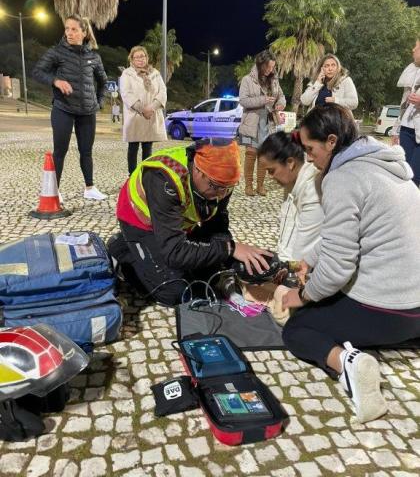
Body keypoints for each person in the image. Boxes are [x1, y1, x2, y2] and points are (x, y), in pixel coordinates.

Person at [281, 104, 420, 424]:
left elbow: (336, 269)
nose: (308, 158)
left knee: (298, 327)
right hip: (417, 307)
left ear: (331, 142)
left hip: (391, 312)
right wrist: (307, 260)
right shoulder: (384, 165)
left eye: (310, 149)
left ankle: (350, 364)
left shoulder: (342, 179)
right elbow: (343, 236)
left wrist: (301, 296)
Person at [115, 139, 272, 306]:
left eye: (228, 188)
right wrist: (229, 248)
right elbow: (174, 253)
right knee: (175, 292)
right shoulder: (164, 177)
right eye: (216, 186)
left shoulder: (221, 182)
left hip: (178, 223)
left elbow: (216, 225)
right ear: (197, 170)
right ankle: (123, 250)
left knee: (213, 273)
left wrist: (228, 258)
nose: (221, 194)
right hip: (140, 222)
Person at [33, 14, 108, 201]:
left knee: (86, 151)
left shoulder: (94, 57)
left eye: (74, 29)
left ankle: (89, 188)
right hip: (63, 108)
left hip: (87, 112)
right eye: (66, 28)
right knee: (60, 151)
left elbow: (104, 82)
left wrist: (99, 103)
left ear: (84, 32)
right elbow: (38, 71)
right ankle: (54, 190)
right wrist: (56, 80)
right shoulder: (57, 52)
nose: (69, 33)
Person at [258, 131, 323, 261]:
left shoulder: (313, 190)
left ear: (290, 163)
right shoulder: (293, 180)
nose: (270, 178)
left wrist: (284, 270)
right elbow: (288, 224)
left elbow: (304, 246)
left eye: (271, 171)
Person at [238, 49, 286, 196]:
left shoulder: (274, 80)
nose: (270, 70)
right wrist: (263, 100)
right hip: (252, 121)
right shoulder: (248, 80)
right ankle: (248, 186)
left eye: (272, 67)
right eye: (268, 67)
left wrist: (280, 104)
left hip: (268, 121)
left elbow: (281, 96)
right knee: (251, 154)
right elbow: (243, 101)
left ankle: (260, 186)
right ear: (261, 64)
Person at [120, 46, 167, 176]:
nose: (141, 59)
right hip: (135, 116)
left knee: (148, 147)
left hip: (150, 116)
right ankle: (133, 176)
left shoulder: (155, 73)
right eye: (137, 57)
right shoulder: (127, 74)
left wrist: (151, 108)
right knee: (133, 148)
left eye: (143, 56)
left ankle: (146, 176)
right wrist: (142, 109)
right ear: (132, 59)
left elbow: (162, 92)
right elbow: (126, 93)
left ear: (147, 58)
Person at [391, 38, 420, 186]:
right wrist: (396, 130)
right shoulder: (411, 70)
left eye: (416, 46)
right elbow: (403, 104)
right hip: (407, 129)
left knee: (415, 176)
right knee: (403, 173)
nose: (413, 50)